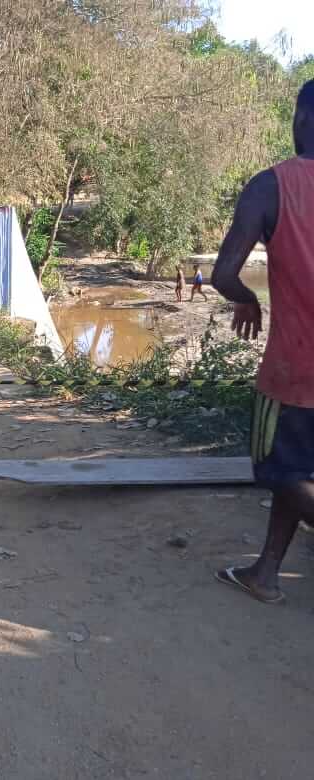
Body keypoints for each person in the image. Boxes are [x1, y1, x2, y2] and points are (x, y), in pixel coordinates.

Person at [212, 79, 314, 604]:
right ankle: (265, 573)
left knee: (279, 470)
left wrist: (246, 299)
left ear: (301, 119)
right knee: (298, 473)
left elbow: (223, 274)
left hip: (297, 371)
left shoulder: (271, 186)